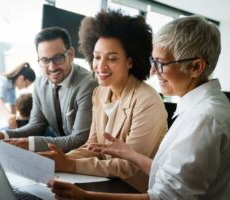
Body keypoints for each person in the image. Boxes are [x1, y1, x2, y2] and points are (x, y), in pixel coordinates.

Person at [47, 15, 230, 200]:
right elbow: (170, 176)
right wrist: (133, 155)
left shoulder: (204, 119)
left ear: (196, 67)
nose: (152, 71)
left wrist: (86, 196)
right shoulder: (198, 108)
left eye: (161, 63)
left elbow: (166, 197)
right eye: (153, 62)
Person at [40, 11, 167, 192]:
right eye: (97, 57)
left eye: (112, 58)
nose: (101, 66)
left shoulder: (148, 101)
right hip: (102, 183)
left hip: (134, 191)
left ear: (130, 62)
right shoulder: (99, 92)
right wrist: (59, 159)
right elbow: (92, 146)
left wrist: (68, 164)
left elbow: (128, 165)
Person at [0, 27, 98, 152]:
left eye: (58, 58)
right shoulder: (40, 83)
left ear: (71, 54)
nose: (52, 67)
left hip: (82, 155)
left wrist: (29, 144)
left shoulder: (88, 85)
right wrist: (3, 135)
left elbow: (79, 139)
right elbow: (36, 125)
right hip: (58, 154)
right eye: (45, 60)